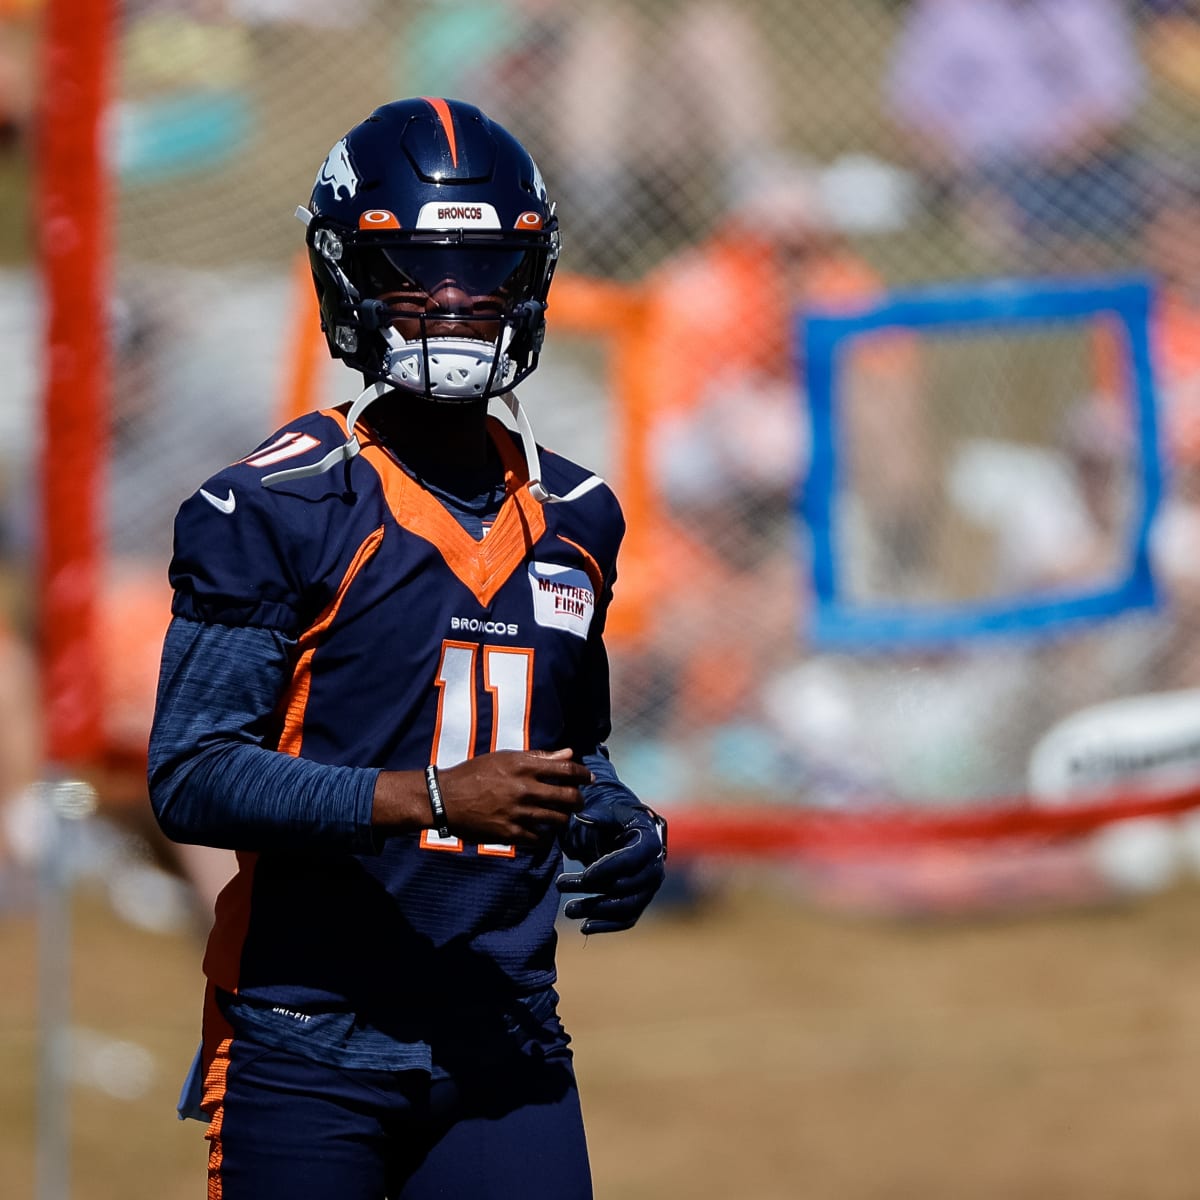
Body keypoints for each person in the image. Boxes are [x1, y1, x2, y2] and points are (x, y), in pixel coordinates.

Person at [147, 97, 667, 1200]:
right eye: (415, 269)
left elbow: (563, 744)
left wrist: (616, 815)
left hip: (504, 1036)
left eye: (482, 270)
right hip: (309, 1040)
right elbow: (191, 776)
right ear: (346, 277)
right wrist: (426, 798)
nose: (452, 301)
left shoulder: (578, 514)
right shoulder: (274, 506)